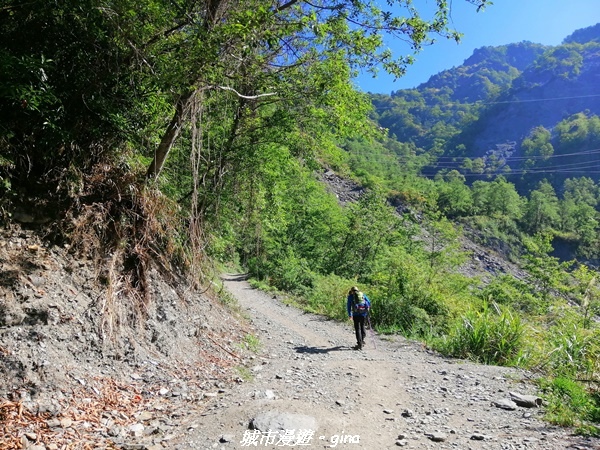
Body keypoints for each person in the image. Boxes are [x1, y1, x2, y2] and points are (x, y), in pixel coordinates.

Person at [346, 286, 371, 350]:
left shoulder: (350, 297)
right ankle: (362, 340)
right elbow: (369, 302)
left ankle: (359, 344)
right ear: (357, 290)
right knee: (362, 326)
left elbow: (349, 307)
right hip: (363, 313)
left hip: (356, 314)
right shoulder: (363, 294)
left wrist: (350, 315)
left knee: (357, 329)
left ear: (351, 291)